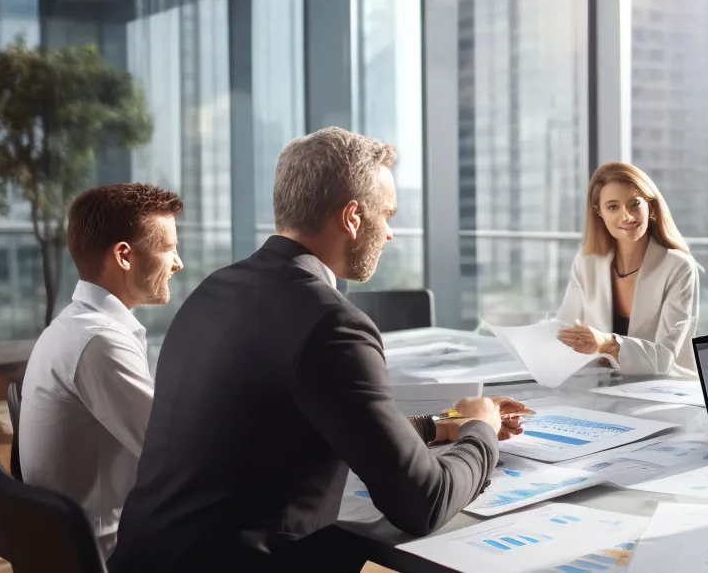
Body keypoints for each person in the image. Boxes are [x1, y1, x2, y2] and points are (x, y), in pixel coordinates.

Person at [110, 128, 524, 573]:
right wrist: (480, 430)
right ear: (352, 218)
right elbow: (422, 503)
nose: (389, 234)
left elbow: (283, 427)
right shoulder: (331, 322)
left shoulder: (214, 291)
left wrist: (437, 426)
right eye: (386, 215)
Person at [20, 183, 183, 555]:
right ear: (124, 256)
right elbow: (174, 452)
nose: (177, 263)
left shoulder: (72, 326)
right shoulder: (98, 342)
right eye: (169, 249)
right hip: (108, 549)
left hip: (73, 538)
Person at [555, 162, 702, 377]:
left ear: (650, 206)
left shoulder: (678, 267)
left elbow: (664, 358)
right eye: (613, 207)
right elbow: (564, 331)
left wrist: (607, 343)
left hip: (663, 388)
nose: (627, 217)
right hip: (600, 386)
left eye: (634, 204)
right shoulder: (586, 262)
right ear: (600, 213)